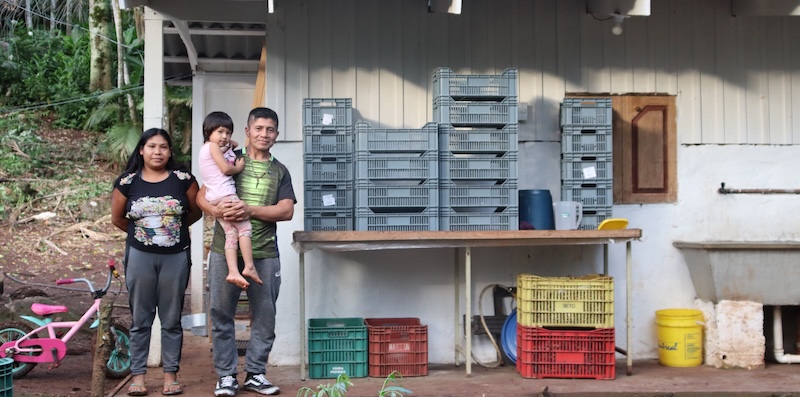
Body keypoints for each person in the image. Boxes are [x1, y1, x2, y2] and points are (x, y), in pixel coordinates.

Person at [197, 107, 296, 396]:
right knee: (221, 313)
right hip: (222, 250)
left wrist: (249, 209)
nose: (264, 134)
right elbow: (202, 194)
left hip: (264, 253)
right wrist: (215, 209)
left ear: (276, 135)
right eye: (259, 128)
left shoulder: (280, 171)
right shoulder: (229, 160)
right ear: (247, 131)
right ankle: (226, 375)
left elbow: (286, 210)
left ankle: (256, 373)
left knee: (265, 315)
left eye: (270, 130)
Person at [110, 128, 202, 396]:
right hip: (140, 257)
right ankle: (137, 376)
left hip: (176, 257)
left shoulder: (183, 180)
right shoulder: (127, 182)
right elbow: (118, 219)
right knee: (141, 318)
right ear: (141, 150)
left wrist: (170, 234)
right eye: (151, 146)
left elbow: (194, 213)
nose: (157, 152)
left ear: (170, 151)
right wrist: (147, 237)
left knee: (171, 318)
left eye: (163, 147)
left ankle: (169, 375)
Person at [199, 111, 262, 289]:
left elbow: (224, 152)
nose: (225, 136)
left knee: (231, 234)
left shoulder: (210, 148)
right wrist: (239, 167)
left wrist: (228, 145)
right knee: (244, 228)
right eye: (220, 132)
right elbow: (226, 169)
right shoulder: (211, 147)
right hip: (225, 194)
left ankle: (233, 271)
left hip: (214, 197)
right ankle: (249, 266)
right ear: (208, 132)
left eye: (228, 133)